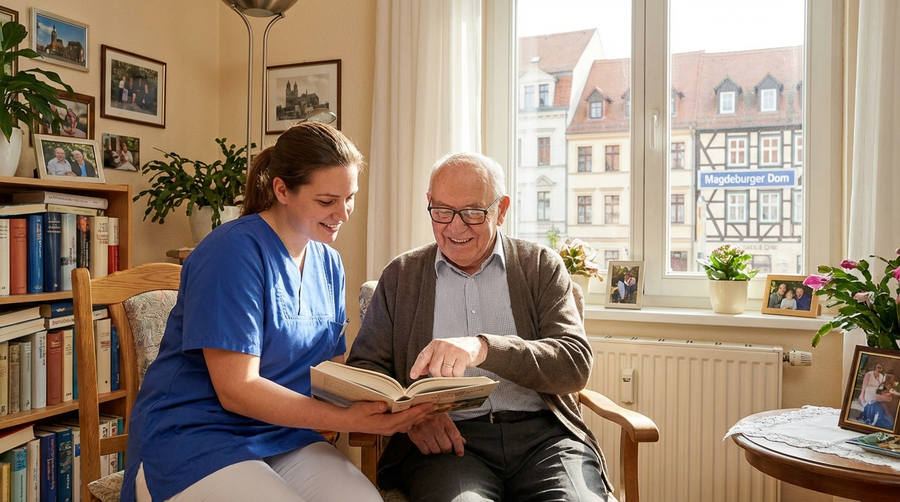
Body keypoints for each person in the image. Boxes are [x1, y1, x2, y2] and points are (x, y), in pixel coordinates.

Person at [120, 122, 432, 502]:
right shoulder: (231, 253)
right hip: (196, 436)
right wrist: (345, 420)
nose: (343, 213)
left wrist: (399, 404)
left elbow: (330, 375)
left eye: (350, 197)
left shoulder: (329, 263)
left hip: (285, 434)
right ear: (282, 189)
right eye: (327, 201)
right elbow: (237, 390)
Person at [347, 152, 610, 501]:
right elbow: (365, 369)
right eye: (442, 211)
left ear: (501, 210)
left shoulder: (540, 267)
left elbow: (574, 365)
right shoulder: (402, 275)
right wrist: (413, 416)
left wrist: (483, 348)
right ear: (429, 203)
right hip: (449, 446)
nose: (455, 227)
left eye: (472, 213)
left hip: (545, 441)